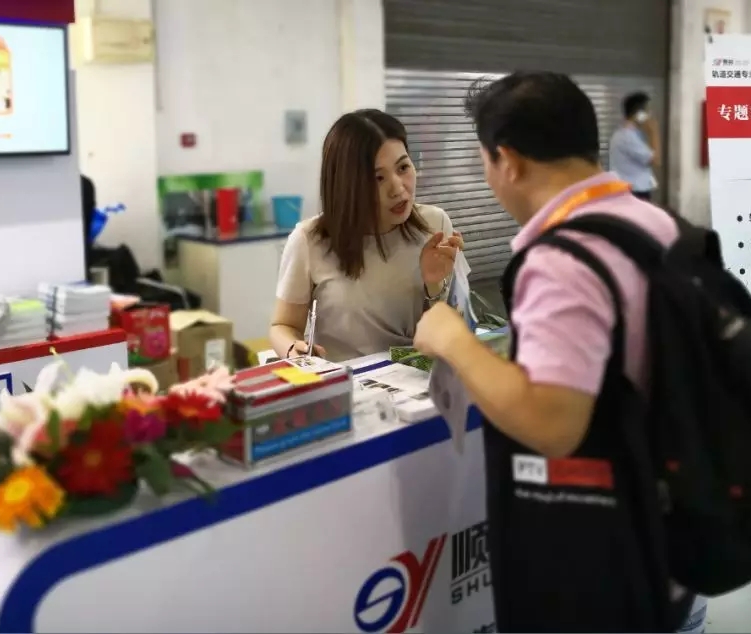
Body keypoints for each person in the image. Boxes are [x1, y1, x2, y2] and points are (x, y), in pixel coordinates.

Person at [413, 71, 681, 631]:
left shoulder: (563, 260)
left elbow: (553, 424)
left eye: (485, 162)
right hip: (656, 522)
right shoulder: (652, 222)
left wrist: (453, 340)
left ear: (508, 161)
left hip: (589, 553)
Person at [269, 109, 463, 362]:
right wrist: (293, 349)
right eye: (378, 178)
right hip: (347, 380)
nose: (397, 188)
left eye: (403, 167)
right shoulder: (309, 240)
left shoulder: (434, 225)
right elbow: (283, 325)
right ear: (347, 185)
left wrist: (435, 285)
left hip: (419, 378)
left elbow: (455, 329)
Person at [608, 92, 660, 202]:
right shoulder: (628, 137)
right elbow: (656, 160)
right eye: (647, 111)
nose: (650, 115)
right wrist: (654, 132)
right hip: (634, 192)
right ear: (639, 114)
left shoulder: (630, 134)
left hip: (632, 190)